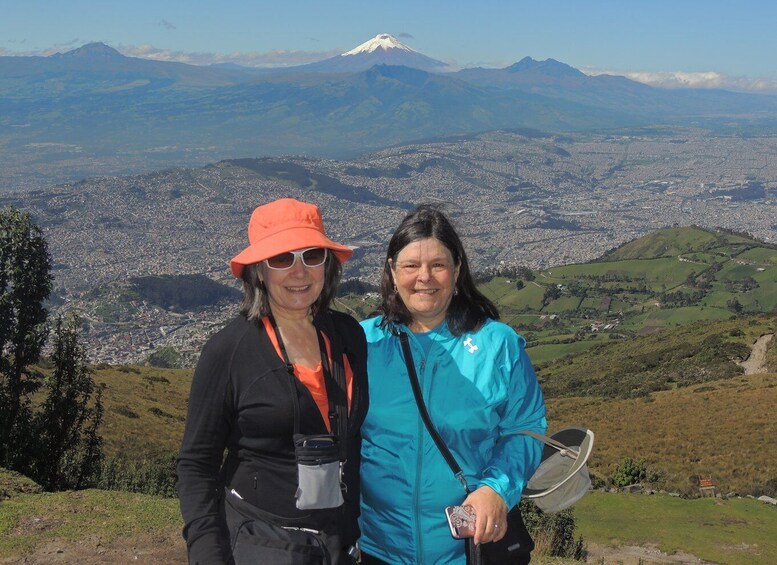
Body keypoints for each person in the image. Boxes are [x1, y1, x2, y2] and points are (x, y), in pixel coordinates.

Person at [177, 198, 369, 565]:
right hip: (264, 543)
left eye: (312, 255)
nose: (299, 272)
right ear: (259, 273)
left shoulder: (348, 336)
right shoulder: (229, 351)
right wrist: (206, 553)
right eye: (281, 259)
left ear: (327, 266)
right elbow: (196, 464)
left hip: (339, 542)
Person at [358, 204, 547, 564]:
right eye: (411, 265)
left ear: (457, 271)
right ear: (392, 271)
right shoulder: (362, 344)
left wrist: (496, 489)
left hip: (470, 549)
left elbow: (525, 429)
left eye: (438, 265)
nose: (424, 277)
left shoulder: (498, 345)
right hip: (380, 547)